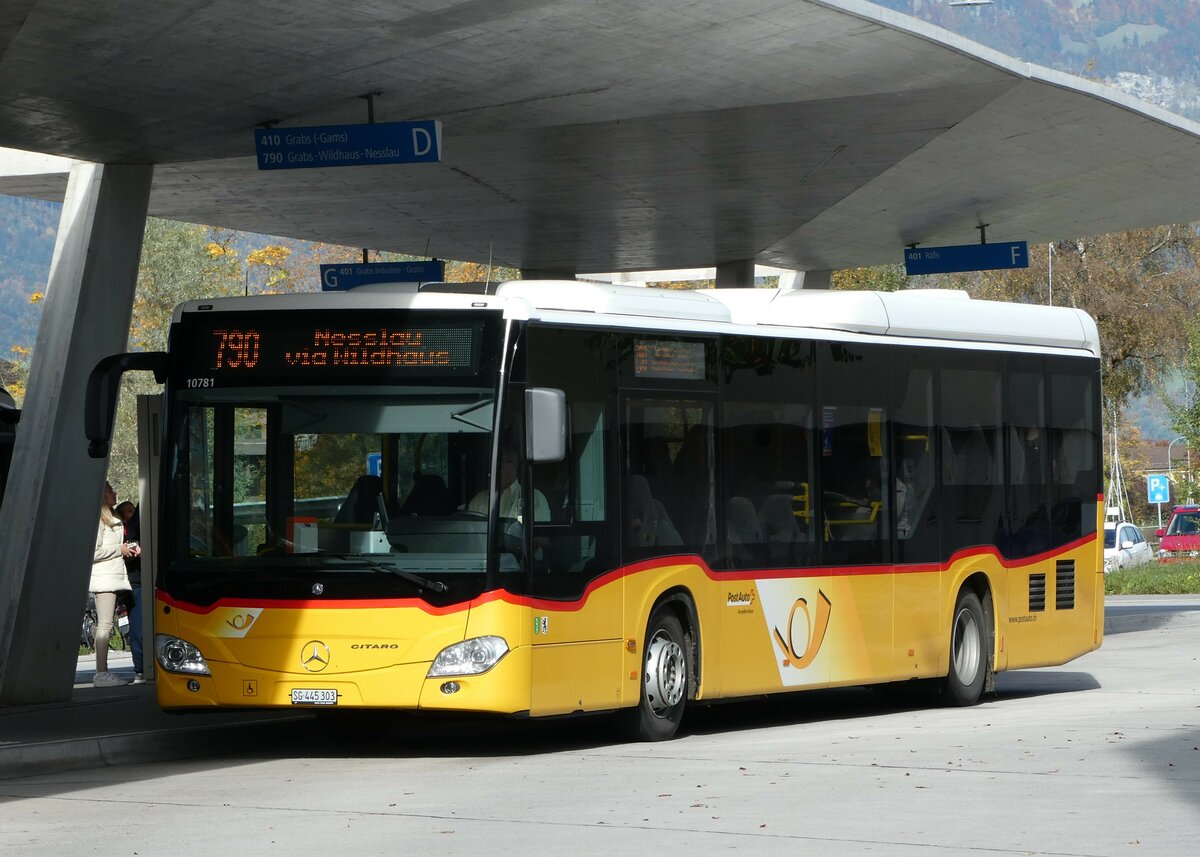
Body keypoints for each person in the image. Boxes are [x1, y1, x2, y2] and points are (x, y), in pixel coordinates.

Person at [91, 482, 138, 687]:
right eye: (110, 490)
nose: (114, 493)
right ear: (101, 495)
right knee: (105, 625)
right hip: (105, 579)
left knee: (107, 624)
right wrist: (120, 549)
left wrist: (126, 549)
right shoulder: (99, 521)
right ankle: (101, 673)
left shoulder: (112, 519)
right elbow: (94, 552)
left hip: (113, 576)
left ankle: (102, 672)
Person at [466, 448, 550, 523]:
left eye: (502, 461)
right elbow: (468, 534)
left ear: (515, 464)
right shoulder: (479, 499)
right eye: (494, 461)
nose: (496, 466)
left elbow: (542, 538)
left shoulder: (533, 497)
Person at [116, 501, 145, 684]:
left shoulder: (134, 530)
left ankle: (142, 667)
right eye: (128, 511)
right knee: (138, 628)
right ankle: (141, 668)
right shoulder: (125, 532)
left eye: (133, 510)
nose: (133, 513)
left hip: (138, 581)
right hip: (136, 582)